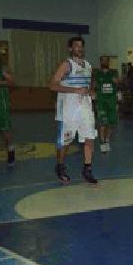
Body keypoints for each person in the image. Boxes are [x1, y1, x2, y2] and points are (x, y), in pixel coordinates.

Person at [47, 36, 98, 184]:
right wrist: (74, 90)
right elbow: (52, 85)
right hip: (68, 110)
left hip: (86, 108)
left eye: (81, 46)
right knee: (66, 141)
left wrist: (91, 91)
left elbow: (88, 85)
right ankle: (60, 166)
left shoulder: (88, 65)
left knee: (89, 137)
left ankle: (87, 168)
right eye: (76, 46)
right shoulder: (66, 65)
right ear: (70, 48)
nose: (79, 48)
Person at [94, 56, 120, 153]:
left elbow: (118, 83)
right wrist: (95, 101)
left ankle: (107, 138)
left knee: (111, 123)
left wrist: (116, 81)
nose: (104, 62)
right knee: (102, 123)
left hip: (112, 101)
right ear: (100, 62)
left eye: (106, 60)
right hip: (101, 102)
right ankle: (102, 142)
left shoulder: (114, 72)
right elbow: (94, 86)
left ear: (108, 62)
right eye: (102, 60)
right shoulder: (97, 73)